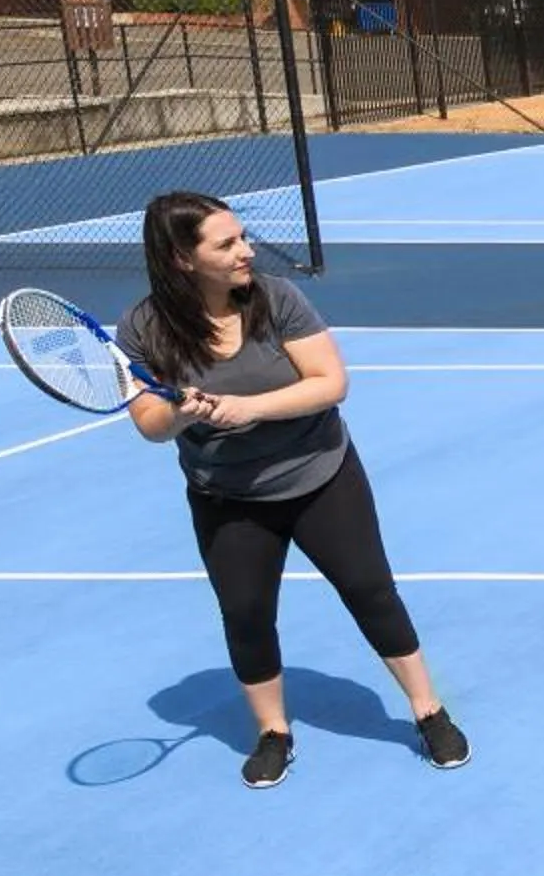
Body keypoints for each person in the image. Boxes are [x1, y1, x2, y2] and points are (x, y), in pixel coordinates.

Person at [116, 192, 469, 786]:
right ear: (182, 258)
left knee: (370, 591)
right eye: (226, 244)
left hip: (319, 475)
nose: (244, 251)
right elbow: (152, 425)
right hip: (226, 496)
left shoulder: (277, 299)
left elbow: (330, 383)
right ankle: (273, 732)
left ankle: (428, 711)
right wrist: (186, 413)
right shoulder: (142, 329)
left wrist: (247, 407)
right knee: (247, 614)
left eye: (242, 237)